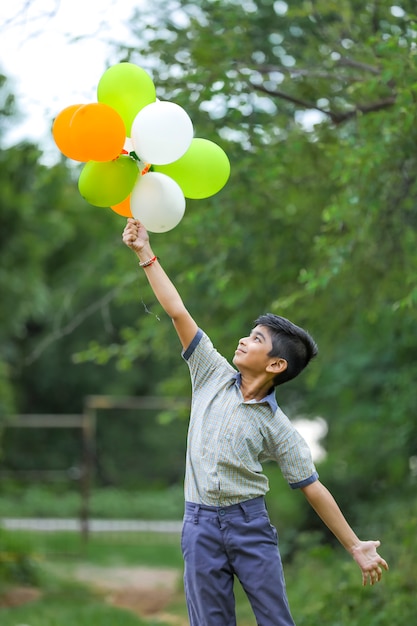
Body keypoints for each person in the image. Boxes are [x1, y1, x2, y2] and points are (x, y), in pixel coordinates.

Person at [122, 217, 388, 626]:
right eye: (250, 334)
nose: (245, 340)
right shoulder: (210, 372)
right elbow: (176, 311)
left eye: (257, 340)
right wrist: (145, 253)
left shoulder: (278, 427)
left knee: (275, 620)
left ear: (276, 364)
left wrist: (354, 546)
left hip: (250, 528)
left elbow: (313, 488)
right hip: (199, 524)